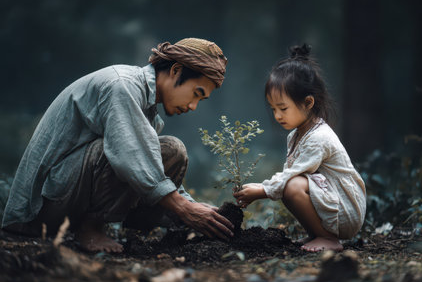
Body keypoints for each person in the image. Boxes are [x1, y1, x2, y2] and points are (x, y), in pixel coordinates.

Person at [1, 38, 235, 253]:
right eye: (196, 93)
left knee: (168, 153)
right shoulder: (123, 85)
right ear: (175, 71)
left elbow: (151, 163)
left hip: (65, 199)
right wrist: (183, 207)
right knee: (144, 148)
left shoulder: (147, 107)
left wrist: (193, 208)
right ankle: (90, 229)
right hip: (39, 210)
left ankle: (167, 224)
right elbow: (130, 155)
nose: (193, 106)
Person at [233, 44, 366, 252]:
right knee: (290, 186)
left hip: (346, 210)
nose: (277, 116)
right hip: (332, 204)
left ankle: (328, 239)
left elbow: (290, 177)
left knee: (292, 186)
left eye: (283, 108)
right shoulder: (295, 135)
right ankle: (317, 235)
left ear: (308, 102)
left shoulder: (318, 138)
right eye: (273, 109)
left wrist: (262, 190)